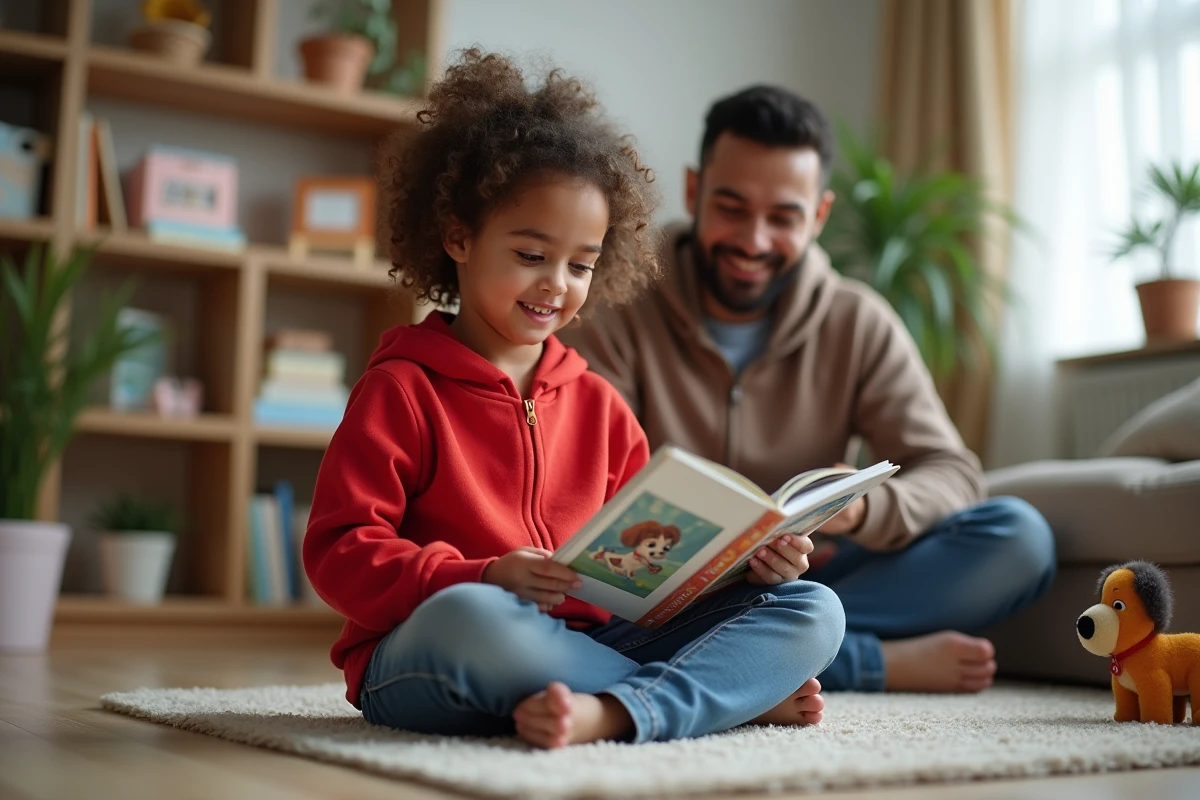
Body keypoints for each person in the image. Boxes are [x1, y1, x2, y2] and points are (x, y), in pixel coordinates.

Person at [303, 52, 845, 750]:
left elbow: (652, 582)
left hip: (595, 638)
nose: (557, 285)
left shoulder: (601, 406)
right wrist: (486, 574)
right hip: (437, 648)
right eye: (531, 255)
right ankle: (711, 696)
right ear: (459, 237)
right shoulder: (401, 390)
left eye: (581, 264)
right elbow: (340, 554)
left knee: (814, 609)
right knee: (473, 616)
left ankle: (617, 712)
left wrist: (742, 567)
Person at [560, 84, 1056, 695]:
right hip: (666, 586)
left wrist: (860, 512)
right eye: (732, 208)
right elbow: (584, 473)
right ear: (694, 192)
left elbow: (951, 470)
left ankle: (779, 643)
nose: (754, 241)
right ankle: (857, 661)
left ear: (819, 216)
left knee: (1019, 538)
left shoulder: (857, 320)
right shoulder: (617, 301)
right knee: (580, 607)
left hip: (813, 574)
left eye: (784, 217)